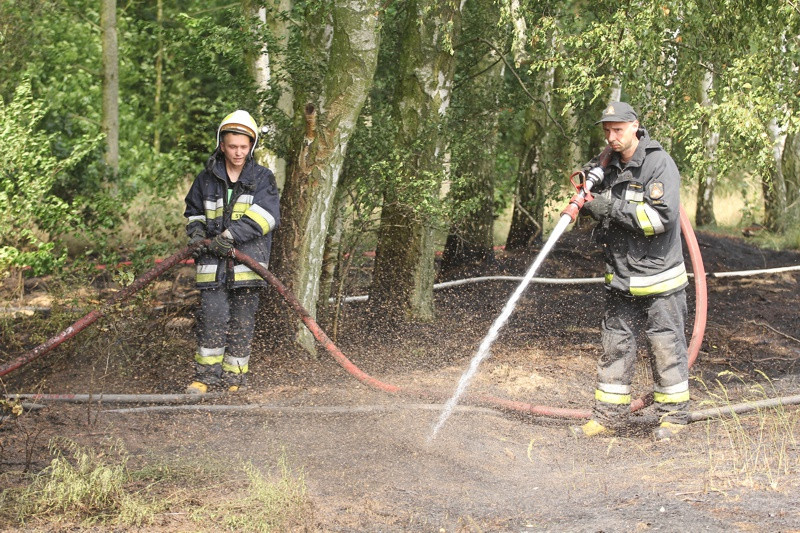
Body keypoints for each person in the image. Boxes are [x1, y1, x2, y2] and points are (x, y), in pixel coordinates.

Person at [573, 102, 690, 441]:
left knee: (666, 349)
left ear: (635, 127)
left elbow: (660, 219)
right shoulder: (605, 164)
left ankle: (673, 420)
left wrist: (610, 207)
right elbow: (591, 198)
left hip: (659, 279)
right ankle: (608, 418)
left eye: (618, 130)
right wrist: (586, 200)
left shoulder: (658, 164)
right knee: (614, 348)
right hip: (620, 278)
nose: (611, 137)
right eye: (607, 131)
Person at [183, 110, 281, 394]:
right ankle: (205, 379)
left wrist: (230, 236)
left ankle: (234, 381)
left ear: (252, 146)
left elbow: (267, 217)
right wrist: (198, 234)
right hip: (211, 264)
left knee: (242, 323)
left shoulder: (263, 178)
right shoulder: (205, 179)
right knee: (212, 319)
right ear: (221, 145)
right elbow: (194, 213)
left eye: (243, 146)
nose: (238, 152)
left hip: (248, 265)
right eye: (232, 146)